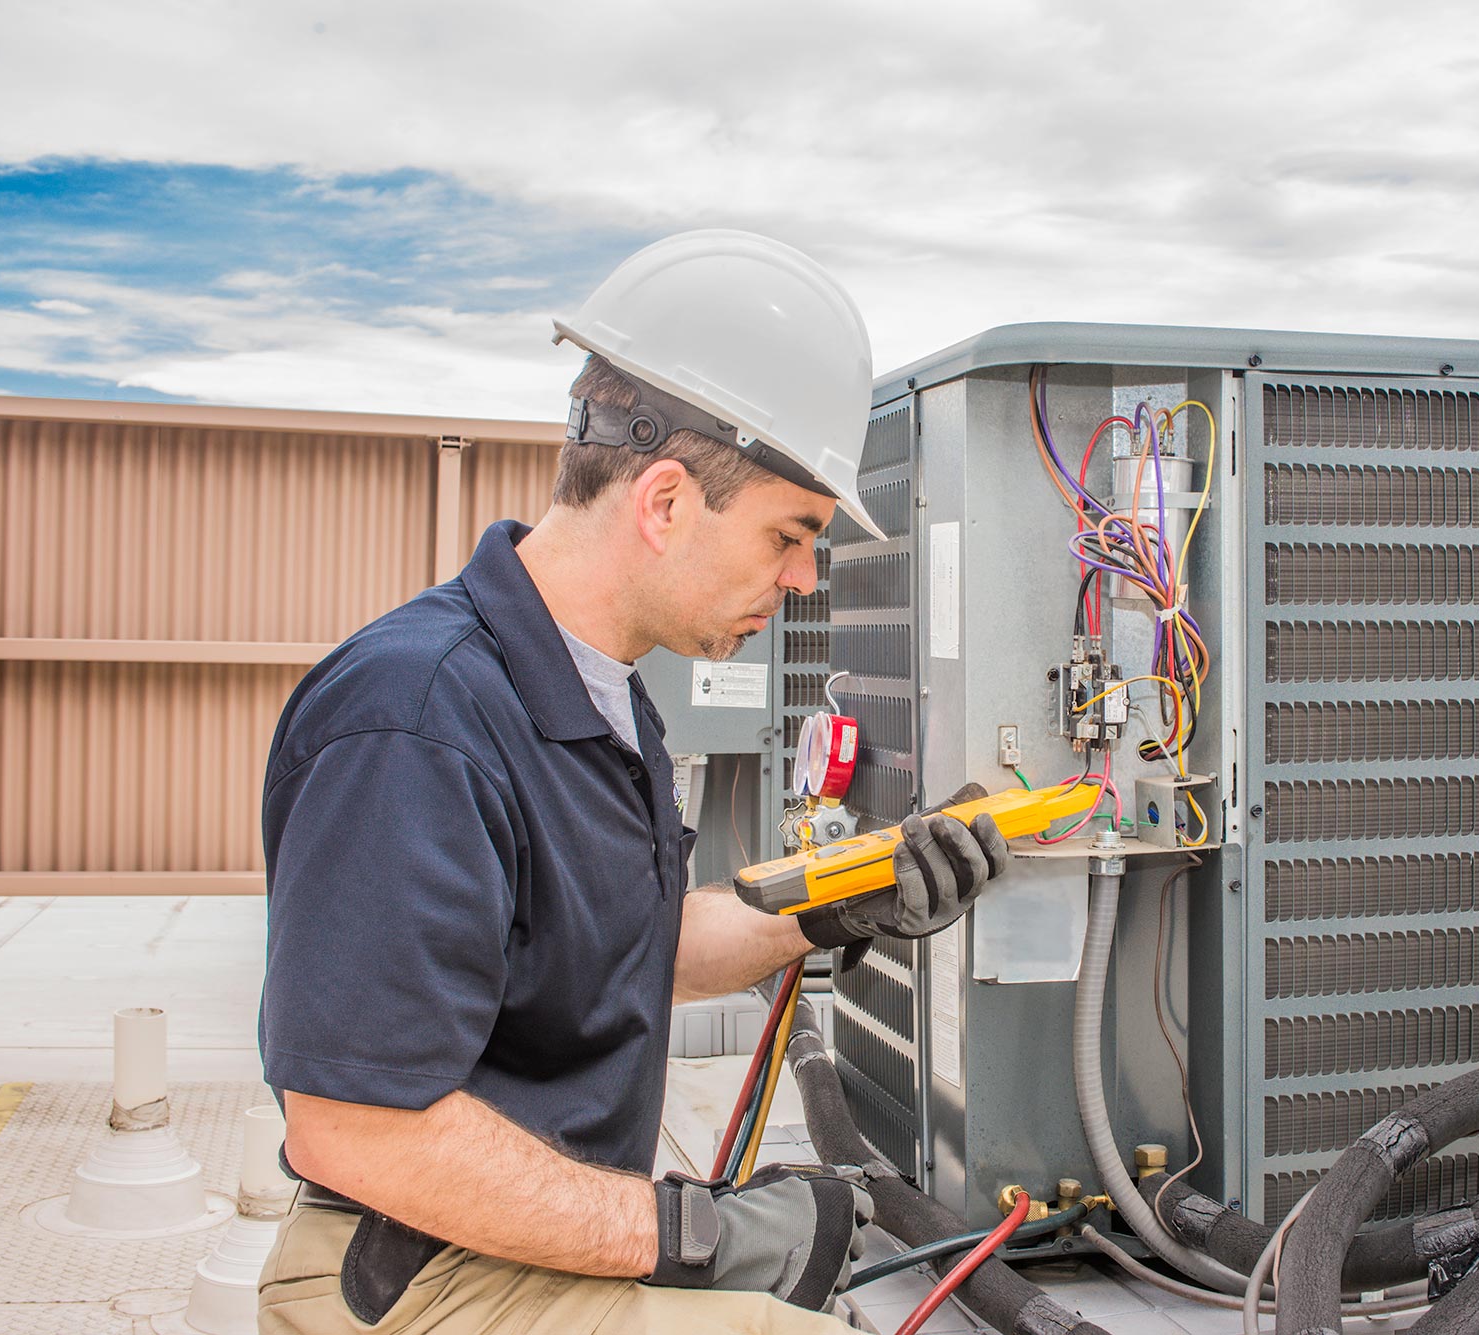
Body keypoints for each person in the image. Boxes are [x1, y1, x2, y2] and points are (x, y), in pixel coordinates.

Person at [255, 231, 1011, 1334]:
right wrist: (688, 1233)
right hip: (413, 1273)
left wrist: (845, 900)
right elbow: (358, 1128)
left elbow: (629, 955)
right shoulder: (415, 722)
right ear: (663, 501)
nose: (802, 580)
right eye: (790, 535)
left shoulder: (595, 697)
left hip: (512, 1240)